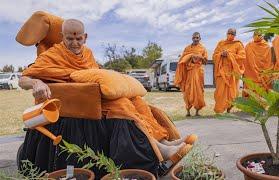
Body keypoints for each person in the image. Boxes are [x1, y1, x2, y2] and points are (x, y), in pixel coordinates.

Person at [18, 18, 195, 178]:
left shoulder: (88, 53)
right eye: (69, 39)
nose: (74, 43)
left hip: (96, 93)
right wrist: (36, 84)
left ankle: (163, 140)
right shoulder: (52, 54)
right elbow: (23, 78)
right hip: (78, 100)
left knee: (137, 101)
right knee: (122, 104)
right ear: (61, 36)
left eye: (78, 38)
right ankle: (161, 150)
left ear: (85, 37)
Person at [175, 32, 208, 116]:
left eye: (197, 38)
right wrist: (190, 56)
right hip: (189, 72)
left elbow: (205, 62)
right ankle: (188, 111)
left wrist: (201, 57)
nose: (195, 39)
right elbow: (182, 60)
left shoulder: (203, 49)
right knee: (187, 91)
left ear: (200, 38)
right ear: (192, 38)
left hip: (198, 72)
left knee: (198, 91)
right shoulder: (187, 48)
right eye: (194, 38)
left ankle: (197, 112)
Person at [212, 28, 245, 113]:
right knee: (220, 93)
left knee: (233, 93)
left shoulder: (238, 44)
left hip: (232, 72)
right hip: (222, 72)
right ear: (226, 33)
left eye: (232, 34)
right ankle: (219, 110)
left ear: (235, 35)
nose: (230, 35)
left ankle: (229, 110)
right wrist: (221, 54)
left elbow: (242, 57)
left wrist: (230, 55)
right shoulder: (221, 43)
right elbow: (214, 56)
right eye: (229, 33)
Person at [243, 31, 273, 96]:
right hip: (251, 75)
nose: (257, 37)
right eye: (256, 35)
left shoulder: (266, 46)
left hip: (263, 76)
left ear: (262, 36)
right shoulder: (249, 46)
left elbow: (269, 62)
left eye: (259, 35)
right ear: (253, 36)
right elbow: (245, 61)